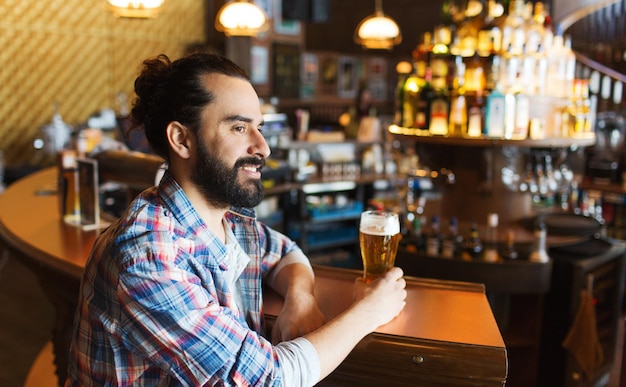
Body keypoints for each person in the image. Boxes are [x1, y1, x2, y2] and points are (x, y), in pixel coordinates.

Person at [66, 52, 407, 386]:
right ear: (182, 139)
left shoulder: (227, 218)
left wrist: (300, 298)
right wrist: (370, 311)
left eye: (258, 127)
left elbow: (286, 252)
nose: (263, 147)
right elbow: (269, 379)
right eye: (240, 127)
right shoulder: (148, 257)